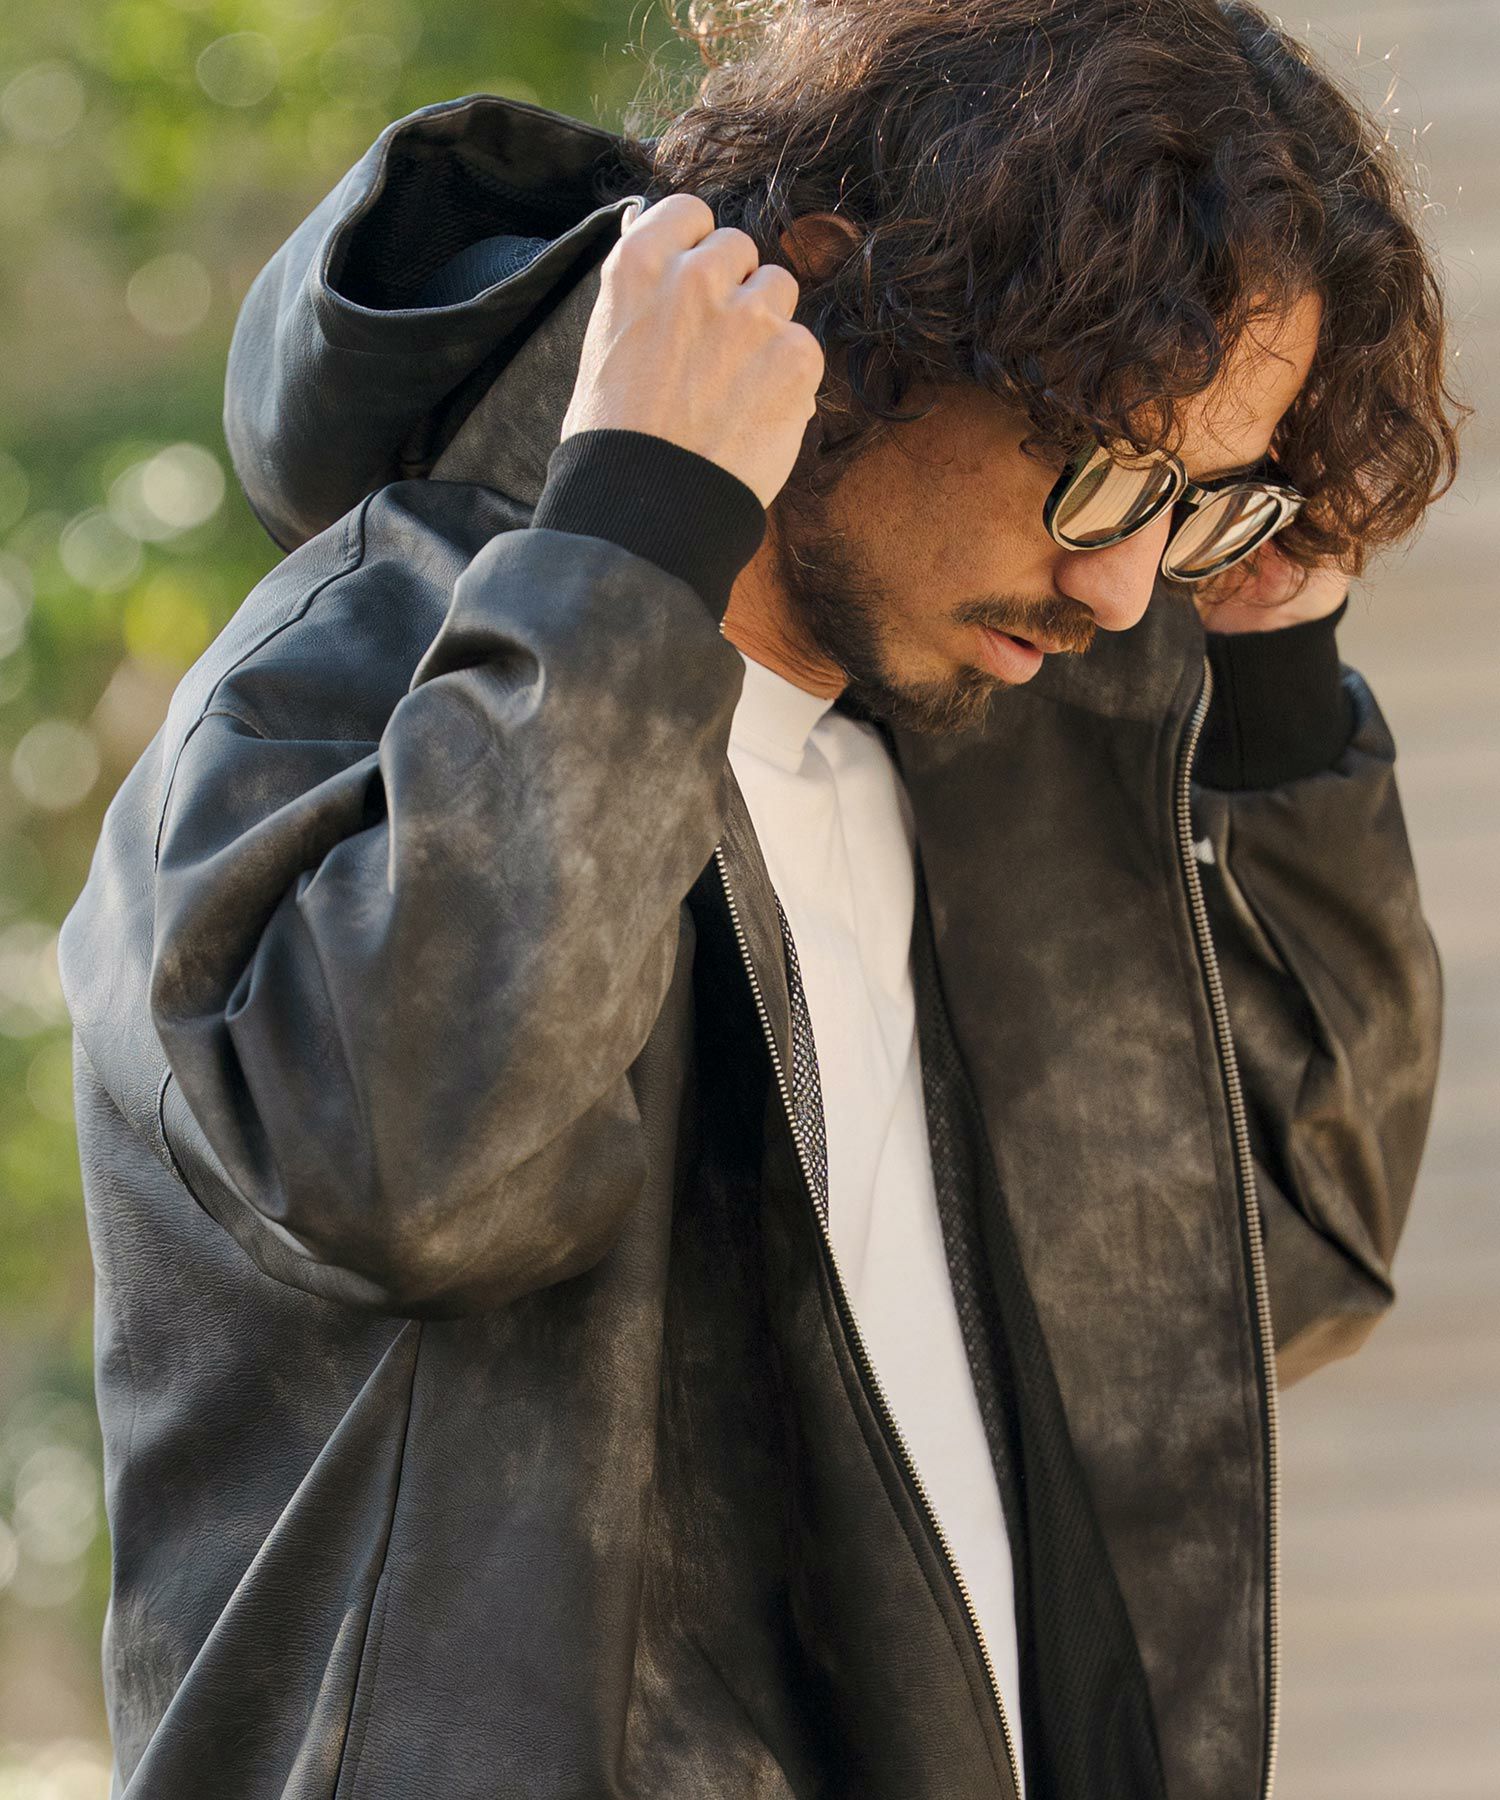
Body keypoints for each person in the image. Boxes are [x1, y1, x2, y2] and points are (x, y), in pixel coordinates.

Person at [59, 2, 1462, 1796]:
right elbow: (420, 1164)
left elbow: (1273, 1260)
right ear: (849, 302)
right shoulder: (347, 687)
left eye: (1193, 504)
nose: (1123, 590)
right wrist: (638, 529)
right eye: (1105, 469)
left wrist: (1270, 660)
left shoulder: (960, 767)